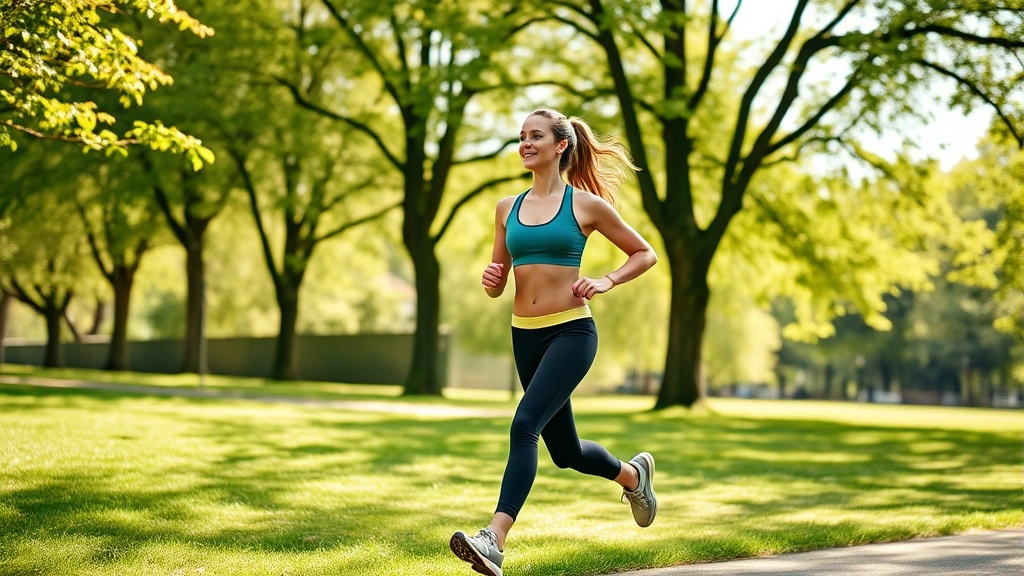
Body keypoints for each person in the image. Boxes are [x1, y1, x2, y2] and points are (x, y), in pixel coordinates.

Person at [449, 108, 659, 576]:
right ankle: (632, 475)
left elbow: (645, 253)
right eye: (521, 136)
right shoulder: (506, 208)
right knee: (565, 452)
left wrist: (606, 281)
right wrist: (490, 280)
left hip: (571, 332)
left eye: (536, 136)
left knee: (524, 423)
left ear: (560, 145)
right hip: (524, 335)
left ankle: (494, 538)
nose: (525, 143)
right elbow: (498, 280)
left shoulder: (584, 205)